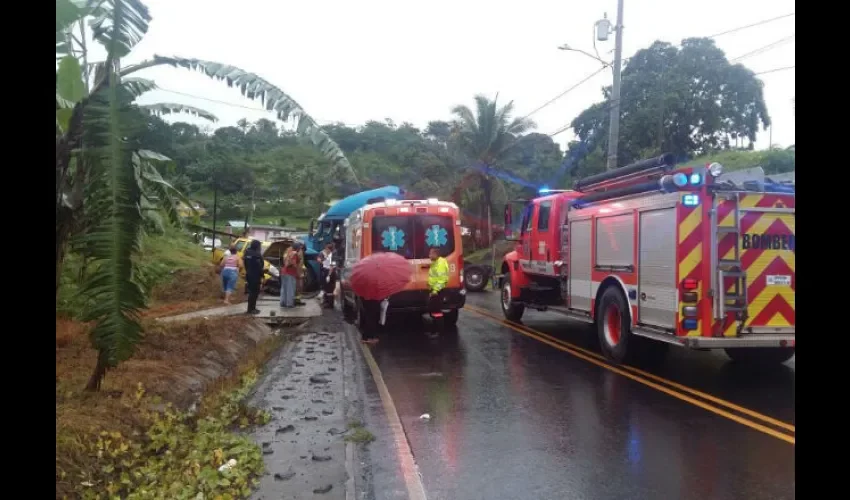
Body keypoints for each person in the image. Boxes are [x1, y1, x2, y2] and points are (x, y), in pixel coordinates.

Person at [427, 247, 449, 331]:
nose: (429, 255)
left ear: (435, 254)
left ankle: (438, 330)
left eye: (430, 253)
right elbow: (434, 277)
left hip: (437, 291)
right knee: (433, 310)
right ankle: (436, 328)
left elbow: (442, 279)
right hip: (434, 290)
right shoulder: (435, 262)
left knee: (436, 311)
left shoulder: (440, 264)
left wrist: (435, 290)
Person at [243, 240, 264, 315]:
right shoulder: (257, 255)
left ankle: (251, 308)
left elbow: (245, 264)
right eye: (259, 246)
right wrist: (262, 275)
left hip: (249, 274)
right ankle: (251, 309)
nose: (260, 247)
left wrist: (248, 271)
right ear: (257, 246)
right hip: (255, 275)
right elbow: (259, 266)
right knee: (254, 293)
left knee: (251, 292)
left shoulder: (247, 252)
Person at [280, 243, 300, 308]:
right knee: (290, 288)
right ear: (297, 248)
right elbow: (294, 263)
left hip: (283, 272)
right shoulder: (294, 253)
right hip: (290, 272)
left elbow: (284, 261)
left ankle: (283, 302)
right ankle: (289, 304)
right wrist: (297, 271)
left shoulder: (287, 252)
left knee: (284, 288)